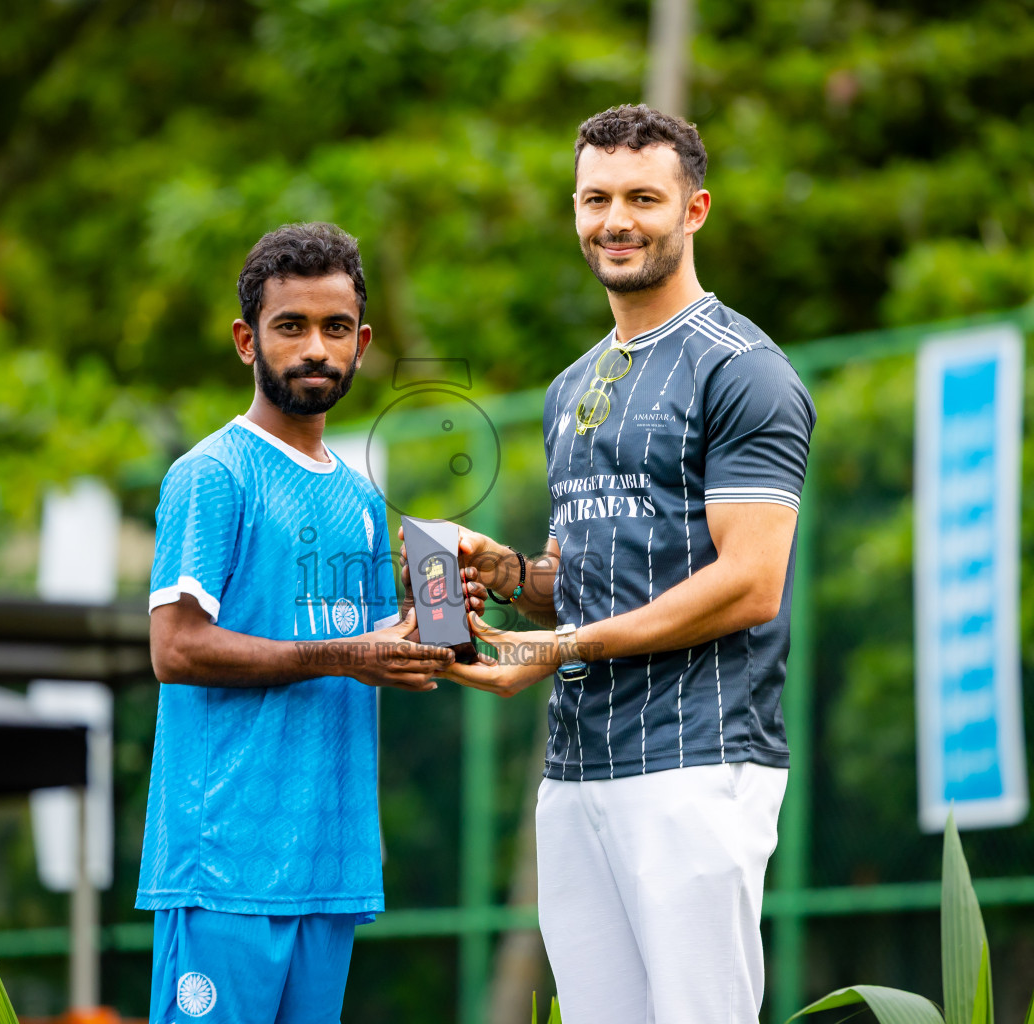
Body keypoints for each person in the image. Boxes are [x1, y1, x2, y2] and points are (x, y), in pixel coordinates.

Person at [441, 105, 817, 1024]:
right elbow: (579, 579)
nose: (617, 220)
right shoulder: (573, 385)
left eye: (643, 198)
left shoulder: (746, 370)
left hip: (698, 759)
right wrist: (509, 573)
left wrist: (561, 648)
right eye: (595, 198)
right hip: (576, 770)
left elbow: (750, 581)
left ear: (695, 210)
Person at [140, 222, 482, 1024]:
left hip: (330, 867)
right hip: (224, 867)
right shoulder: (212, 475)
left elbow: (378, 650)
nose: (315, 348)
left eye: (335, 329)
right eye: (291, 326)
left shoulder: (362, 501)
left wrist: (453, 597)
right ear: (246, 340)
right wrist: (346, 651)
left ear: (362, 344)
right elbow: (175, 648)